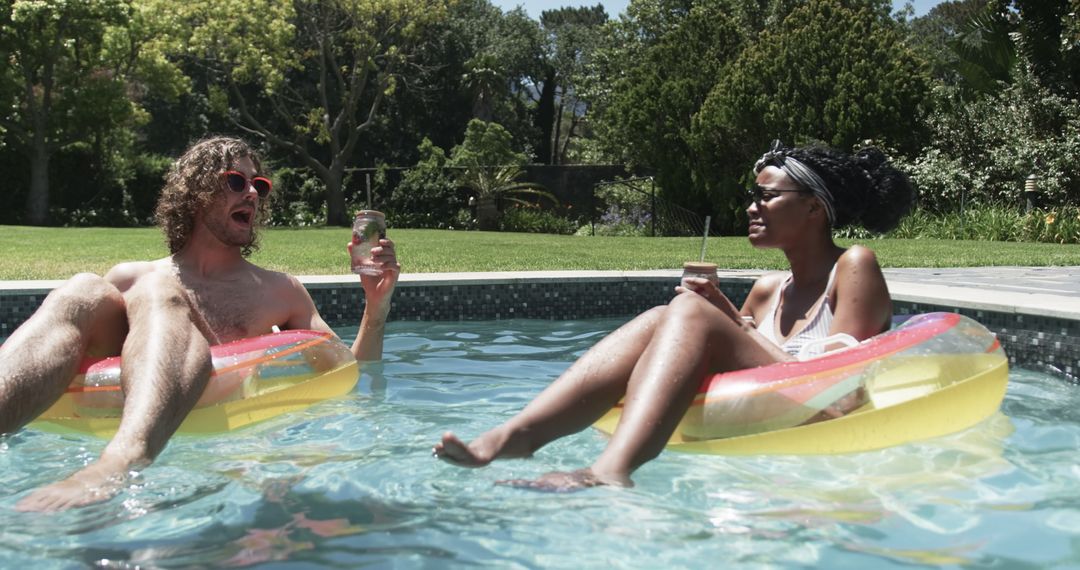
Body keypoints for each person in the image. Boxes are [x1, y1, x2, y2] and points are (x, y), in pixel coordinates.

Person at [434, 141, 914, 491]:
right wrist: (729, 318)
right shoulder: (768, 292)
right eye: (753, 195)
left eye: (767, 196)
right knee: (668, 312)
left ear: (813, 207)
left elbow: (840, 386)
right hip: (760, 421)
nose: (751, 207)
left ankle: (611, 468)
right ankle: (515, 435)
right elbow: (712, 362)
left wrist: (725, 317)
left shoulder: (854, 266)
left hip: (826, 419)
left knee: (687, 309)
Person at [0, 136, 400, 511]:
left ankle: (122, 460)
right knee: (85, 288)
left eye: (258, 186)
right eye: (235, 181)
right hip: (128, 439)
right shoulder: (129, 279)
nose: (252, 194)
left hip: (229, 462)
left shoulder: (280, 291)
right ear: (194, 193)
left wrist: (375, 305)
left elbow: (350, 375)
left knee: (156, 290)